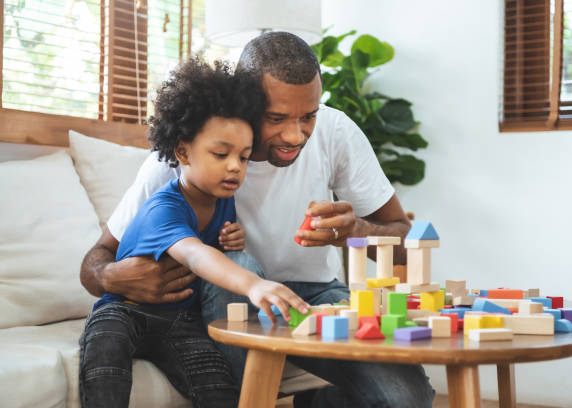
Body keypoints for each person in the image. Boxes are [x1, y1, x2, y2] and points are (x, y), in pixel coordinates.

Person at [81, 32, 435, 407]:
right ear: (246, 102)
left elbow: (403, 248)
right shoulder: (186, 157)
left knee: (407, 399)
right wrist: (114, 277)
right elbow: (96, 261)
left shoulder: (336, 132)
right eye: (276, 117)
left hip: (314, 295)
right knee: (238, 261)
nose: (295, 135)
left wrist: (355, 233)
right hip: (226, 298)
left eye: (308, 116)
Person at [79, 58, 308, 408]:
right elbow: (194, 253)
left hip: (179, 321)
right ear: (183, 151)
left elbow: (211, 249)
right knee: (104, 367)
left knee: (220, 388)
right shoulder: (164, 208)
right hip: (123, 310)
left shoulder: (223, 199)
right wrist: (254, 284)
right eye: (221, 154)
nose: (235, 166)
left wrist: (234, 240)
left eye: (244, 157)